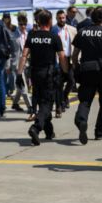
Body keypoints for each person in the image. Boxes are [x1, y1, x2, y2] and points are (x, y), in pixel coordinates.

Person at [71, 7, 102, 144]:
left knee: (85, 101)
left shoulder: (82, 32)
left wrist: (76, 68)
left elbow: (75, 55)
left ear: (91, 17)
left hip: (87, 71)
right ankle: (100, 131)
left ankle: (81, 121)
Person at [17, 9, 65, 145]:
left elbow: (24, 55)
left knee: (41, 101)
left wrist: (19, 74)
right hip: (48, 74)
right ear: (50, 21)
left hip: (35, 74)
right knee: (47, 104)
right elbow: (61, 56)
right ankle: (36, 128)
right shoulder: (54, 37)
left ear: (38, 21)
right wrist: (65, 72)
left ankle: (49, 131)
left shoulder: (31, 36)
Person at [10, 13, 33, 115]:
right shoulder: (13, 35)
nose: (23, 26)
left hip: (27, 63)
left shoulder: (29, 35)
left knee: (20, 86)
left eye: (24, 24)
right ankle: (30, 106)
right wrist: (8, 65)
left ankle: (15, 103)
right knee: (23, 86)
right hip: (17, 63)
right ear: (18, 24)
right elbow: (10, 51)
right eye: (21, 24)